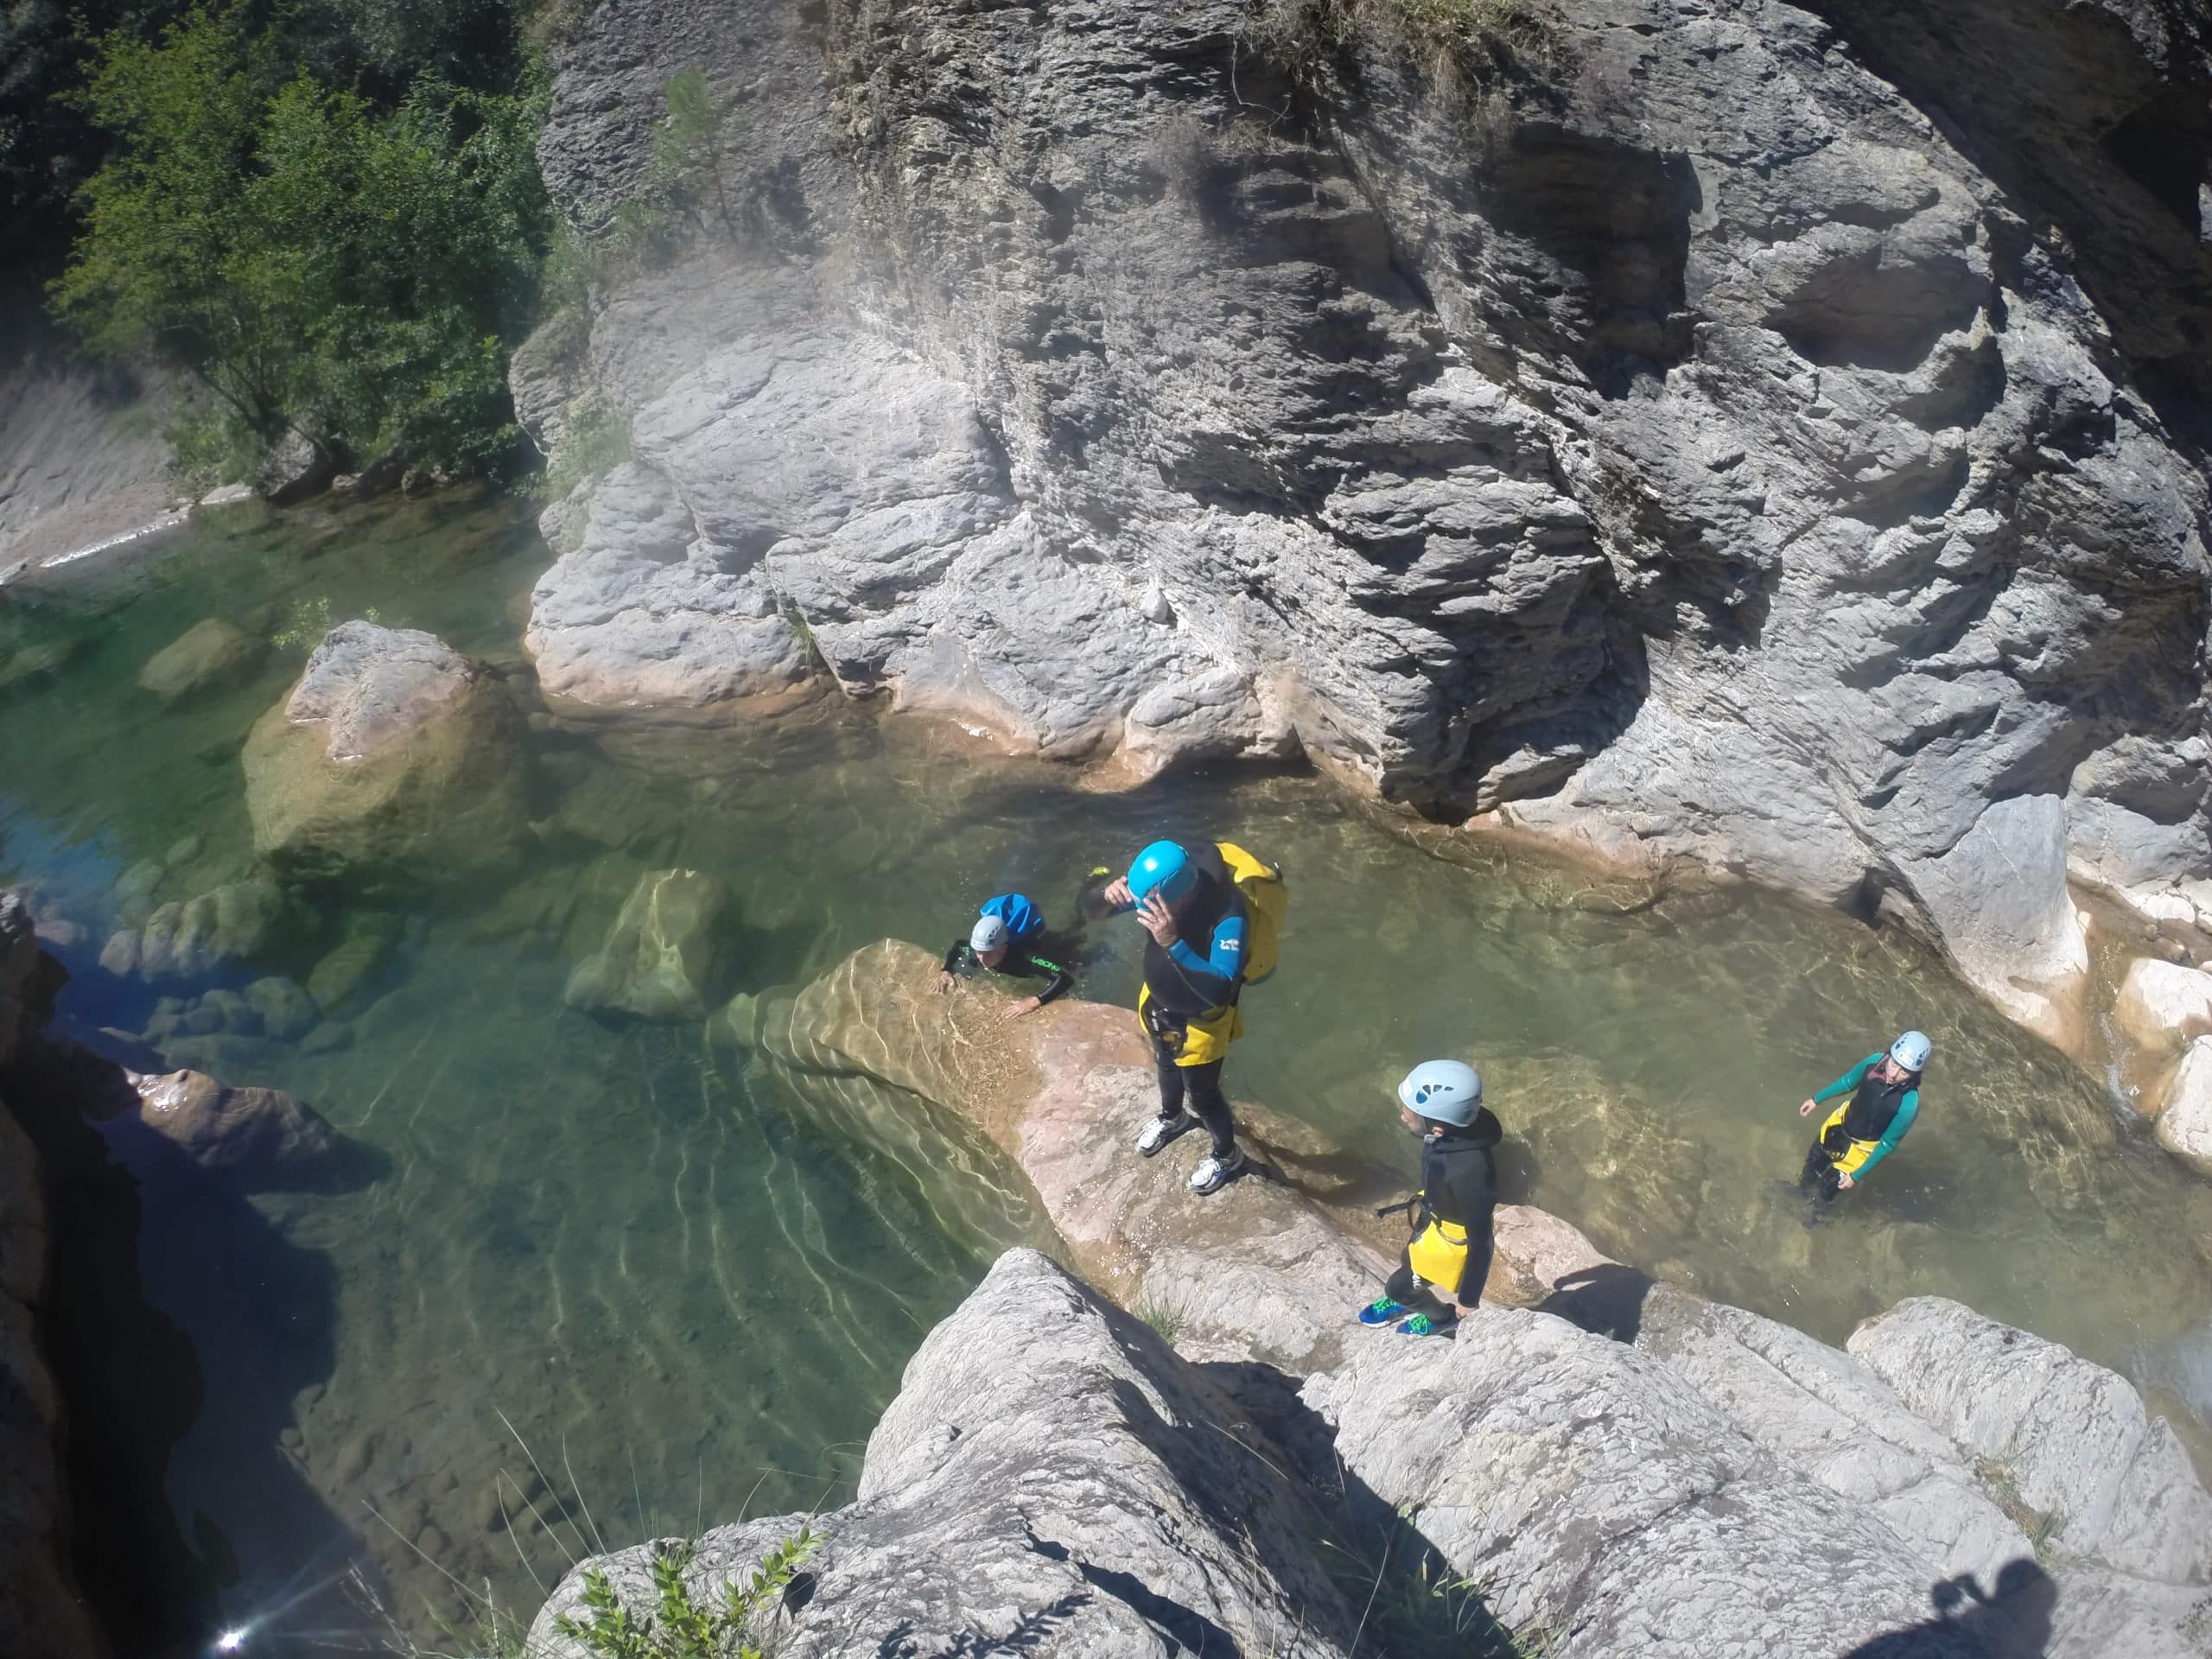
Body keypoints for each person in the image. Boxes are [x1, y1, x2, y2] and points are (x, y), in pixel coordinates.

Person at [1101, 840, 1281, 1196]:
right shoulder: (1163, 892)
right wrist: (1104, 894)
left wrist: (1173, 942)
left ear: (1179, 897)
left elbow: (1221, 987)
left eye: (1149, 905)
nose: (1143, 911)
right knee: (1166, 1066)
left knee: (1203, 1095)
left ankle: (1227, 1156)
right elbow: (1092, 911)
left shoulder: (1229, 914)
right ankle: (1172, 1118)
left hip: (1202, 1019)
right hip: (1160, 1003)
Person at [1357, 1060, 1500, 1339]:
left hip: (1451, 1238)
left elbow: (1482, 1240)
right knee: (1408, 1258)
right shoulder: (1458, 1131)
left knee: (1398, 1287)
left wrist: (1468, 1301)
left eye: (1408, 1115)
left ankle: (1439, 1317)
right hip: (1435, 1214)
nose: (1402, 1117)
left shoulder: (1468, 1170)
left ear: (1437, 1129)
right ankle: (1412, 1293)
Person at [1796, 1030, 1929, 1203]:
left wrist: (1856, 1176)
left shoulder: (1908, 1104)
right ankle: (1799, 1193)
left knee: (1826, 1190)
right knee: (1812, 1166)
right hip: (1838, 1126)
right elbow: (1848, 1082)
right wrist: (1816, 1100)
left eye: (1905, 1071)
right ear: (1889, 1055)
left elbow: (1887, 1144)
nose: (1894, 1074)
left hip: (1860, 1150)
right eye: (1894, 1064)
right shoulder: (1873, 1063)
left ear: (1915, 1074)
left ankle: (1815, 1219)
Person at [936, 893, 1073, 1022]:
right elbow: (958, 945)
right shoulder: (977, 950)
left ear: (1003, 948)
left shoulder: (1024, 958)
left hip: (1045, 946)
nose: (982, 960)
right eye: (979, 952)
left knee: (1074, 938)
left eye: (988, 954)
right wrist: (946, 970)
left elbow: (1065, 978)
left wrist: (1032, 1003)